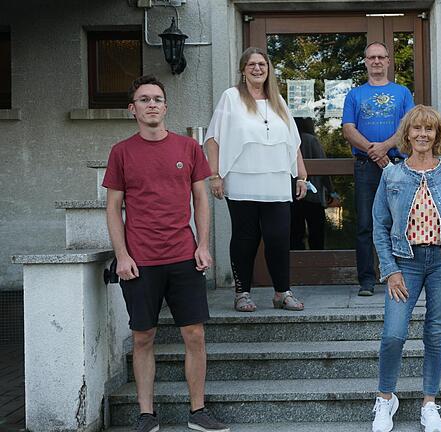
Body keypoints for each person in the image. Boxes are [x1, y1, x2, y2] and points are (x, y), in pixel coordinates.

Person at [103, 75, 229, 432]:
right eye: (144, 99)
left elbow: (201, 198)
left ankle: (198, 412)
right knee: (143, 337)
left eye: (157, 99)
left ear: (166, 106)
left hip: (182, 257)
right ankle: (146, 415)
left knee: (195, 335)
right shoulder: (121, 152)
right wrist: (122, 255)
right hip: (140, 261)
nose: (152, 104)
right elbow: (113, 208)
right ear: (133, 109)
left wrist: (202, 245)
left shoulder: (189, 148)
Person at [370, 105, 441, 432]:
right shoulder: (392, 175)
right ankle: (385, 398)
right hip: (406, 263)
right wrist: (390, 269)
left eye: (428, 129)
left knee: (436, 333)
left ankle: (430, 403)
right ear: (407, 134)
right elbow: (379, 225)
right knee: (393, 334)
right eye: (416, 129)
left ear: (437, 135)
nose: (422, 135)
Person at [205, 47, 308, 312]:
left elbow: (293, 142)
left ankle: (282, 292)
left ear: (268, 69)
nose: (258, 68)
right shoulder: (230, 97)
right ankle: (242, 293)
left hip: (276, 180)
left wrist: (301, 176)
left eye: (262, 64)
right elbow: (214, 138)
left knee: (278, 237)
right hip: (241, 180)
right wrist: (215, 175)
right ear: (243, 70)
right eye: (252, 64)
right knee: (245, 237)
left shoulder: (278, 101)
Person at [342, 41, 415, 296]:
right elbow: (348, 130)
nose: (376, 61)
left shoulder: (403, 92)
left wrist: (384, 147)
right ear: (365, 62)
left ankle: (401, 276)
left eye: (381, 57)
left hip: (398, 165)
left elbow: (409, 127)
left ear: (388, 61)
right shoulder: (355, 95)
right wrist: (374, 152)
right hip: (365, 167)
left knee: (401, 222)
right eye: (371, 57)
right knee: (365, 223)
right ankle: (367, 280)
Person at [290, 117, 336, 250]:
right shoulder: (311, 140)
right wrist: (331, 189)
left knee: (295, 232)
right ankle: (318, 260)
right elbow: (323, 166)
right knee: (316, 232)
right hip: (313, 196)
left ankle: (297, 261)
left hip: (294, 194)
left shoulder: (292, 140)